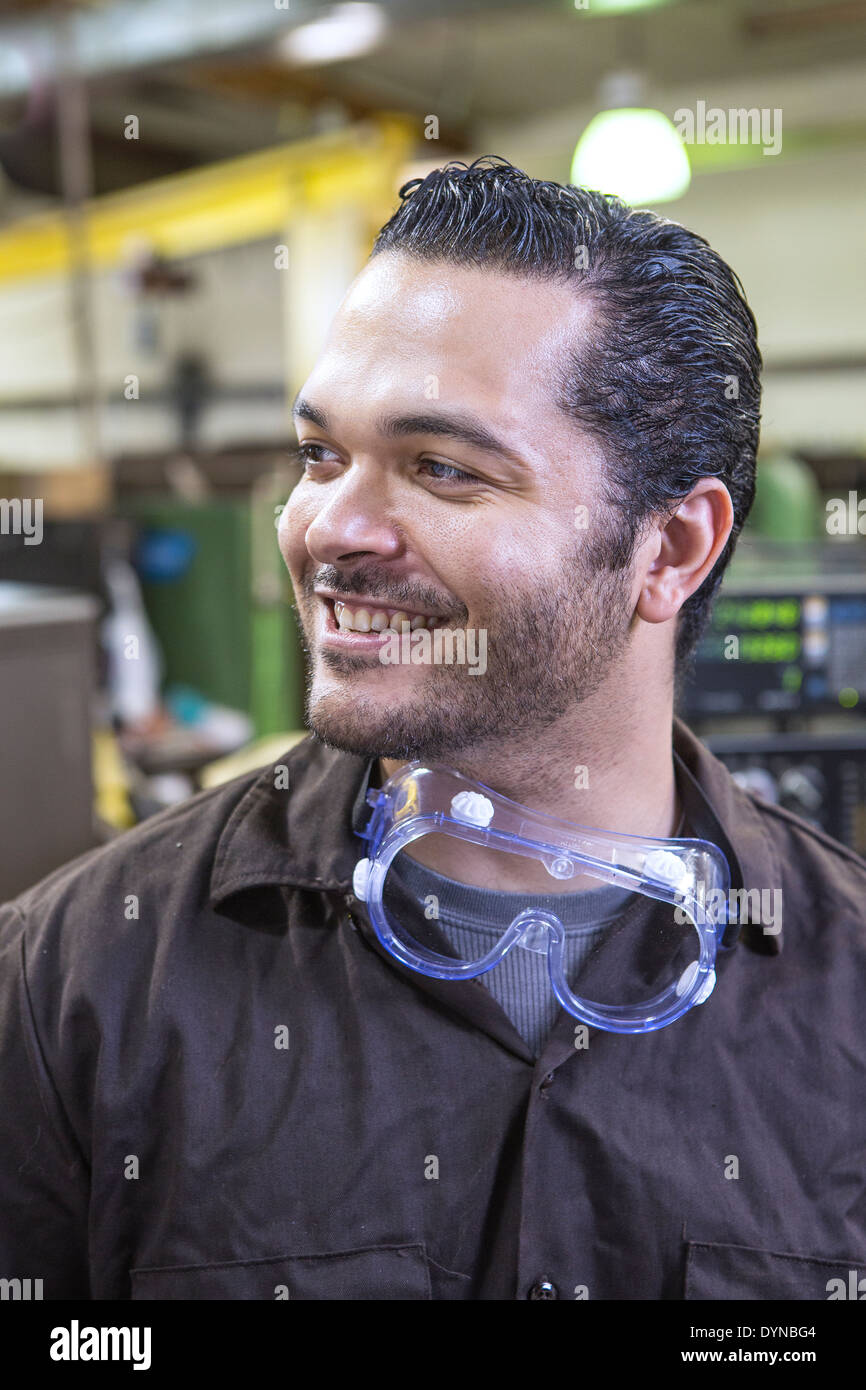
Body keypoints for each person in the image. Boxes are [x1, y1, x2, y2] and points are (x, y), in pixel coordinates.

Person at [1, 158, 864, 1302]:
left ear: (669, 549)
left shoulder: (841, 996)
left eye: (441, 468)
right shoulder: (72, 985)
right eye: (319, 454)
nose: (329, 528)